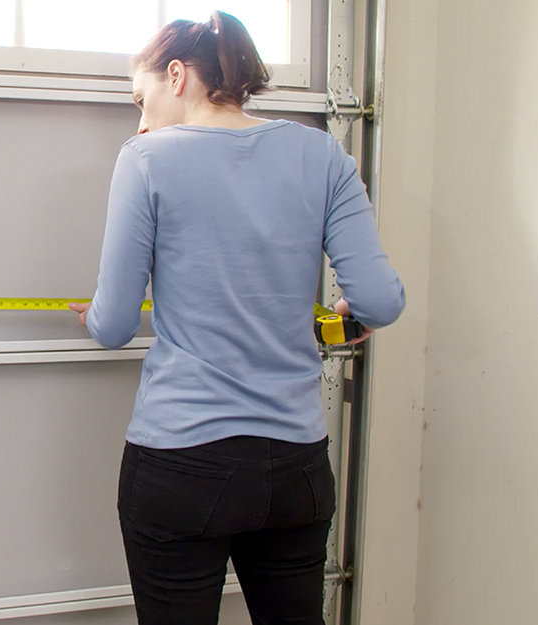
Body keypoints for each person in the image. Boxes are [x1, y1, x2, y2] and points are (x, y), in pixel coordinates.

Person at [67, 10, 405, 625]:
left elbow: (115, 326)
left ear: (177, 74)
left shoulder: (146, 158)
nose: (140, 120)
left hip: (181, 463)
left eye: (140, 99)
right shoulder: (322, 153)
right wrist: (354, 316)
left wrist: (94, 317)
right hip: (296, 468)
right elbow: (380, 301)